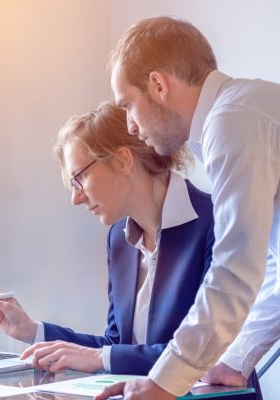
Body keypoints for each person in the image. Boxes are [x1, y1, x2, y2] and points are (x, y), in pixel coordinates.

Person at [97, 15, 280, 400]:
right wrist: (235, 359)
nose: (130, 126)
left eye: (128, 105)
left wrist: (166, 380)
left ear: (158, 85)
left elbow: (235, 269)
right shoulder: (244, 110)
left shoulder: (232, 120)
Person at [0, 101, 216, 378]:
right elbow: (116, 347)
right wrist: (33, 331)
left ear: (123, 160)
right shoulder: (120, 238)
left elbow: (204, 353)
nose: (75, 198)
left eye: (80, 178)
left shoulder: (216, 222)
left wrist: (101, 357)